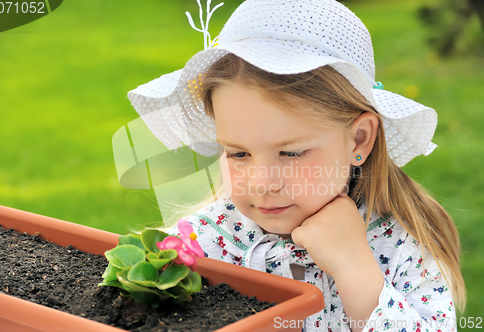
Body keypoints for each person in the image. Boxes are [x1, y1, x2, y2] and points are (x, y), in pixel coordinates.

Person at [127, 0, 465, 331]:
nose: (262, 183)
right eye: (238, 154)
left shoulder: (402, 250)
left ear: (359, 139)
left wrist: (354, 267)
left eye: (291, 153)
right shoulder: (206, 241)